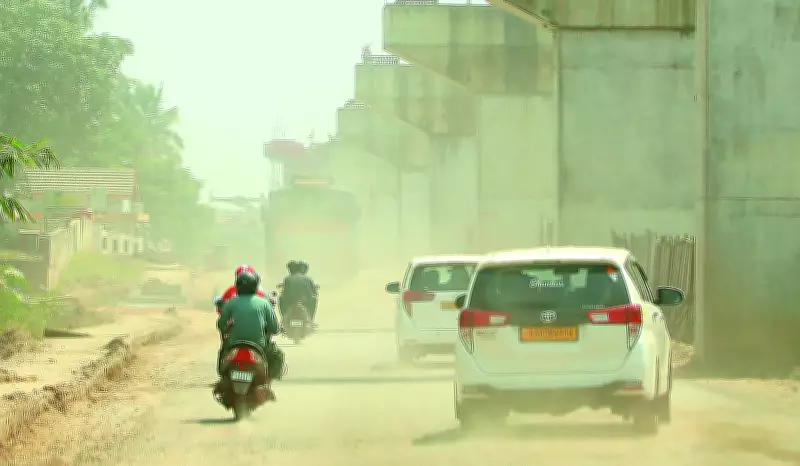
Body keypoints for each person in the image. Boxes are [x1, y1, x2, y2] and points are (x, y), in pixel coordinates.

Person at [215, 271, 285, 401]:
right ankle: (267, 384)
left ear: (237, 286)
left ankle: (223, 378)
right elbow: (274, 328)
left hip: (233, 344)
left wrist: (228, 328)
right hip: (259, 345)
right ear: (255, 286)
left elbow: (220, 324)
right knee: (277, 355)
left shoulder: (230, 303)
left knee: (223, 352)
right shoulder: (264, 303)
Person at [279, 260, 318, 324]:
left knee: (281, 298)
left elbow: (285, 292)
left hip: (290, 301)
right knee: (314, 298)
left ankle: (283, 318)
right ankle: (311, 319)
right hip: (305, 301)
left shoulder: (287, 279)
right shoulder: (308, 279)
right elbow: (314, 293)